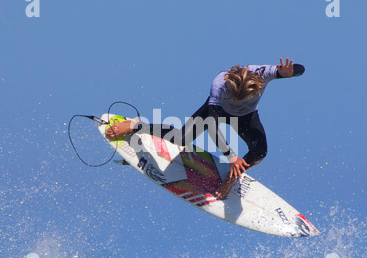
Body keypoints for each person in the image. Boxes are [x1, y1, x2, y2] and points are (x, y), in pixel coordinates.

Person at [106, 58, 305, 199]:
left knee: (260, 151)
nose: (237, 101)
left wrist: (289, 72)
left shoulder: (264, 73)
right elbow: (210, 123)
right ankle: (134, 126)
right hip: (216, 112)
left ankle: (231, 177)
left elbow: (301, 68)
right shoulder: (220, 84)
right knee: (180, 138)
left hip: (247, 116)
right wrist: (231, 156)